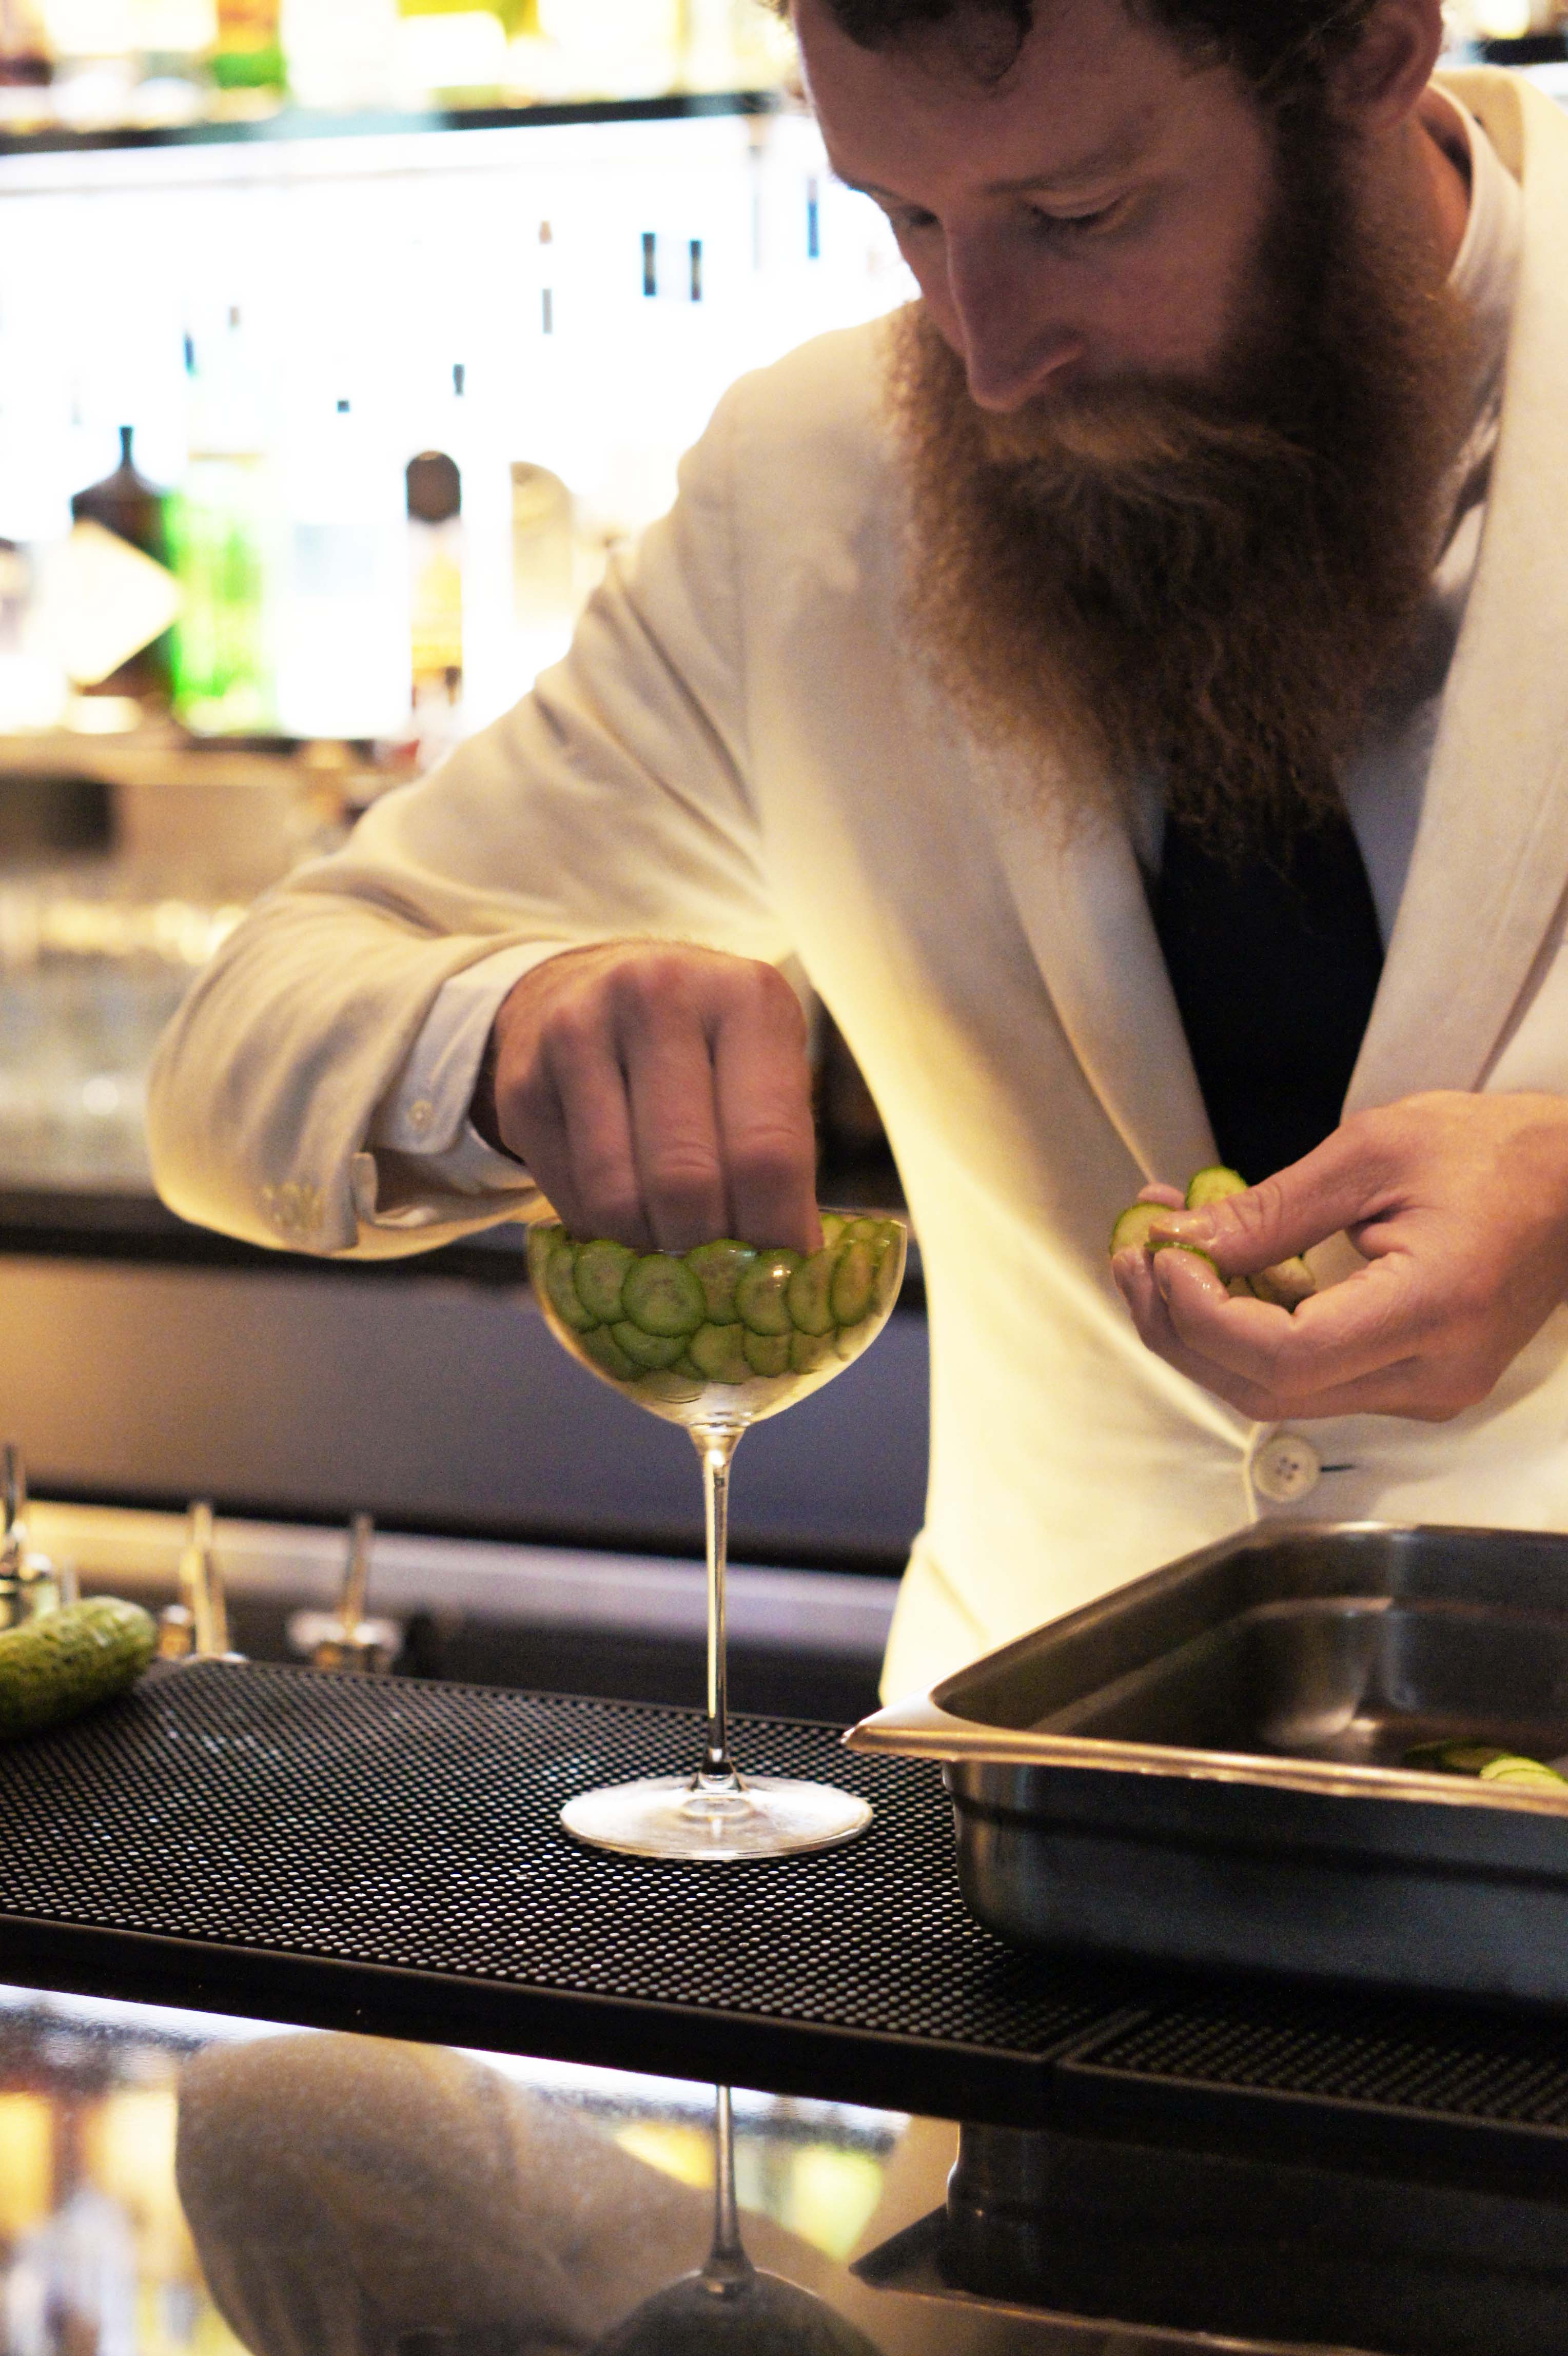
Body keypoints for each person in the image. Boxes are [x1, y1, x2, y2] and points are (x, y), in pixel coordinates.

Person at [148, 0, 1568, 1700]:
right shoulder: (815, 481)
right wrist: (510, 1031)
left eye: (1081, 215)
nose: (988, 355)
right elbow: (232, 1058)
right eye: (907, 217)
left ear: (1368, 52)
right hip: (1018, 1795)